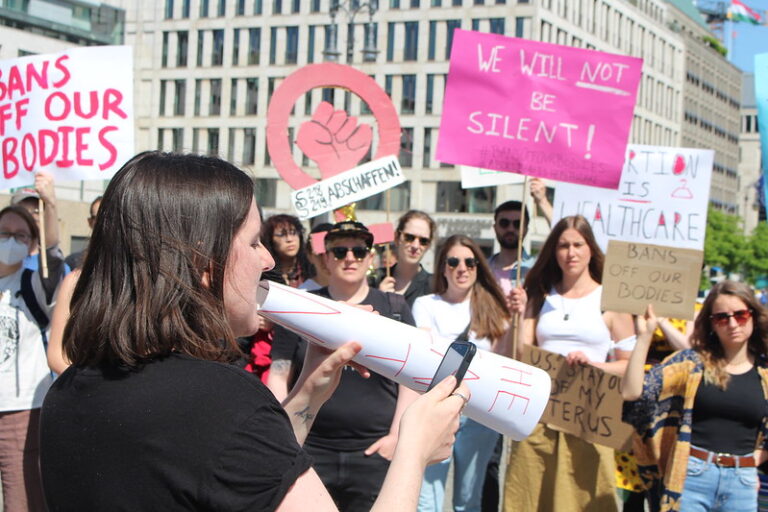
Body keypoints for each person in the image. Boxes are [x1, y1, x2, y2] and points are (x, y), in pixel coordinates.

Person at [39, 151, 468, 511]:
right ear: (203, 264)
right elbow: (229, 444)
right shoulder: (222, 402)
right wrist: (414, 449)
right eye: (252, 242)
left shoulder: (68, 391)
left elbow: (236, 473)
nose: (268, 260)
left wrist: (306, 396)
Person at [268, 219, 421, 511]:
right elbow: (278, 375)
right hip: (310, 449)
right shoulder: (302, 307)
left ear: (370, 258)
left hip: (374, 451)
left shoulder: (395, 308)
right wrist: (285, 434)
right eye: (340, 252)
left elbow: (410, 381)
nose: (350, 258)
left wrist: (396, 438)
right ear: (326, 258)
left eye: (358, 251)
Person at [504, 215, 635, 512]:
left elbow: (629, 366)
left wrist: (593, 366)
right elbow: (521, 355)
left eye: (578, 244)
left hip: (589, 417)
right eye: (563, 246)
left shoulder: (610, 301)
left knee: (583, 499)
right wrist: (518, 316)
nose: (570, 253)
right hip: (539, 414)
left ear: (591, 249)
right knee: (529, 497)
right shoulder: (540, 296)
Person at [622, 281, 768, 512]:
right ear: (711, 324)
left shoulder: (765, 373)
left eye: (740, 315)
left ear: (753, 315)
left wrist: (755, 460)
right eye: (721, 318)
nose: (732, 324)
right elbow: (632, 392)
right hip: (692, 476)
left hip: (743, 482)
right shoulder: (691, 364)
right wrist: (644, 336)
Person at [415, 234, 523, 512]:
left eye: (469, 262)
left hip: (479, 412)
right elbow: (427, 353)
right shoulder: (426, 304)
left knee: (468, 501)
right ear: (443, 267)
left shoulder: (493, 308)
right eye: (453, 262)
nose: (462, 268)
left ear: (478, 266)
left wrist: (516, 319)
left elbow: (506, 358)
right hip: (439, 408)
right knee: (427, 502)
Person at [0, 172, 65, 512]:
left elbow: (53, 254)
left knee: (22, 501)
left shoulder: (33, 284)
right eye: (4, 234)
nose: (11, 241)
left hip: (21, 411)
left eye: (20, 235)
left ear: (30, 244)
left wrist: (50, 203)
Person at [374, 210, 436, 308]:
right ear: (397, 238)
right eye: (409, 237)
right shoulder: (375, 279)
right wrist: (378, 299)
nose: (415, 246)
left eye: (423, 241)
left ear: (428, 245)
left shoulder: (435, 286)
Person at [261, 213, 311, 288]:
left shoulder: (311, 270)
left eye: (293, 233)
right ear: (270, 240)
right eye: (282, 234)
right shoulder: (264, 274)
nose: (289, 239)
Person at [64, 196, 102, 270]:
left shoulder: (124, 262)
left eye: (107, 216)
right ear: (90, 222)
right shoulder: (72, 263)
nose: (102, 222)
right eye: (97, 218)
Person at [299, 222, 333, 292]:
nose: (325, 259)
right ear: (309, 256)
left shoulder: (354, 290)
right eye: (320, 255)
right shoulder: (301, 293)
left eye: (330, 253)